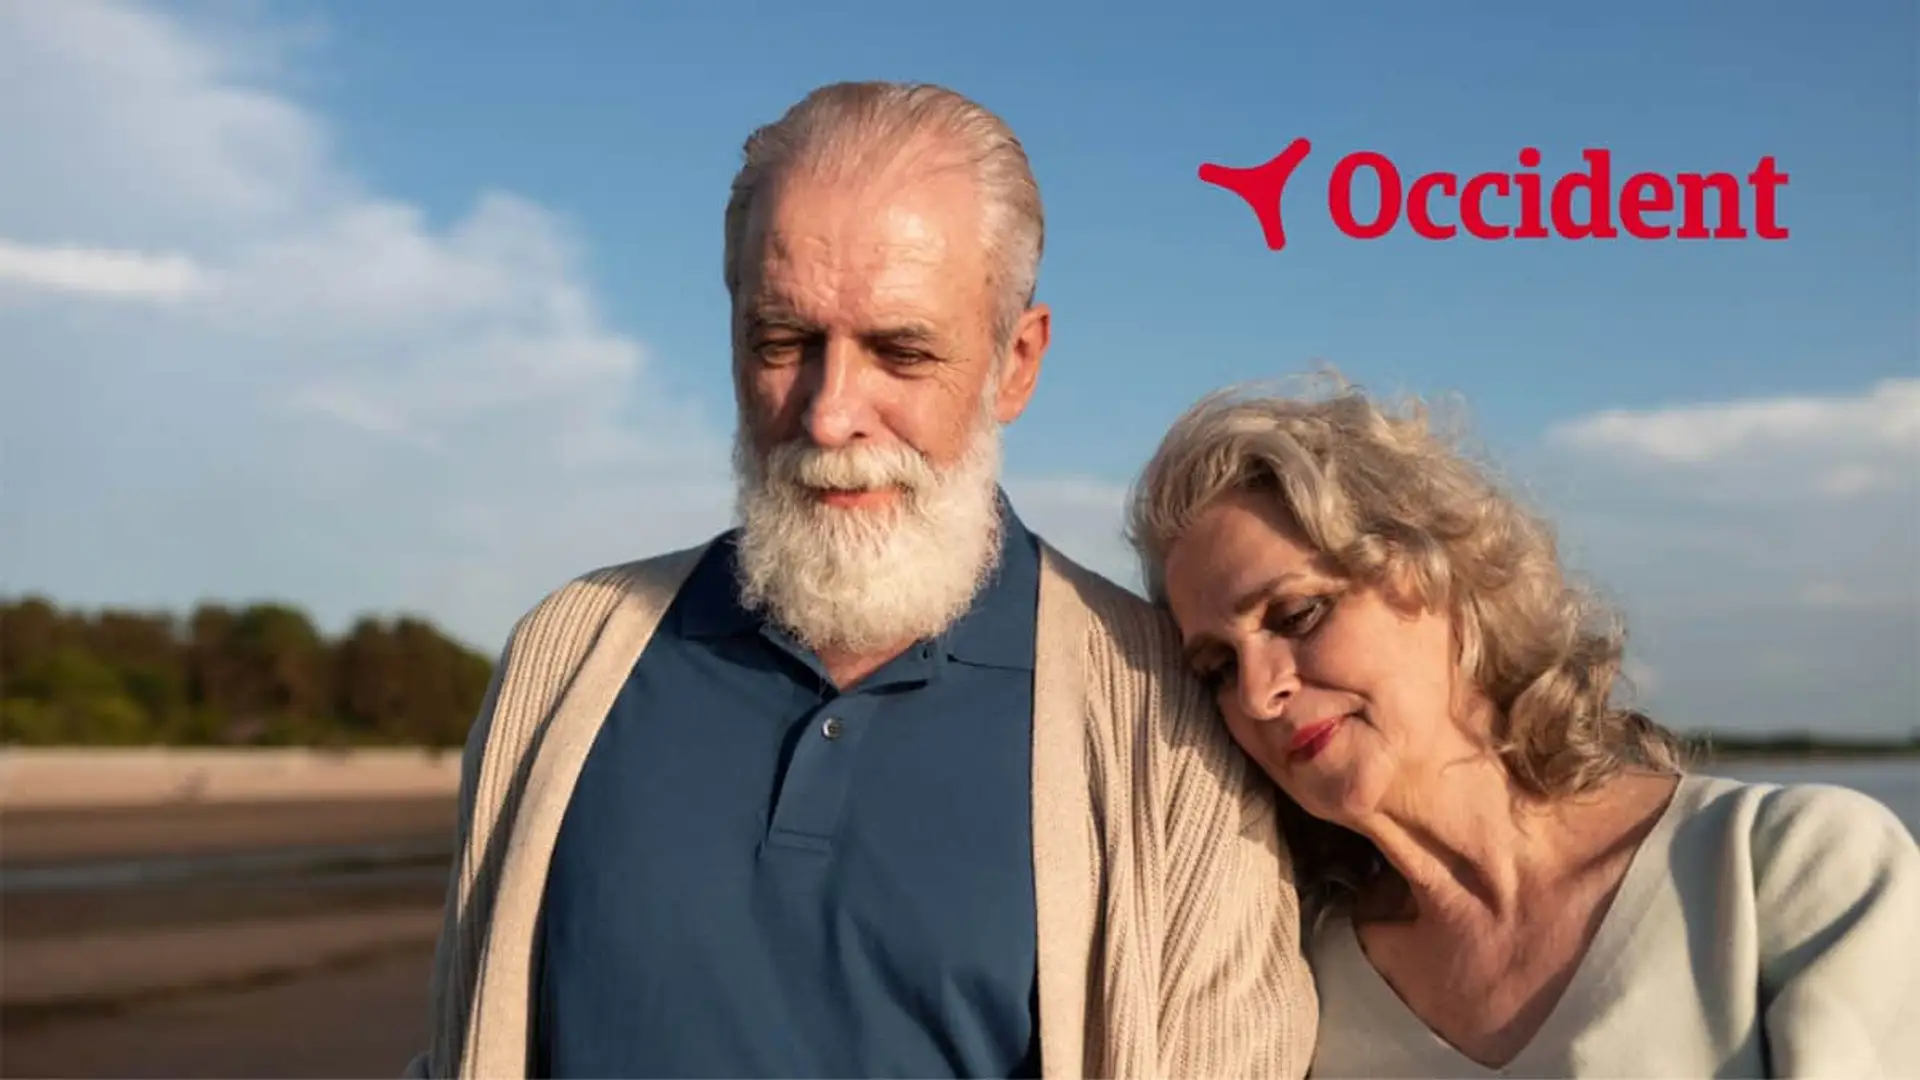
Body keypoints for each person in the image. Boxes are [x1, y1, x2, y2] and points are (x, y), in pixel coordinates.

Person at [404, 82, 1318, 1080]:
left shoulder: (1164, 720)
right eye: (784, 342)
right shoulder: (570, 657)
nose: (832, 413)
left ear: (1015, 364)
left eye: (899, 350)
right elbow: (461, 1045)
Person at [1124, 375, 1920, 1078]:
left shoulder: (1789, 869)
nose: (1261, 692)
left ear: (1435, 576)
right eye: (1216, 669)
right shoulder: (1296, 985)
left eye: (1297, 614)